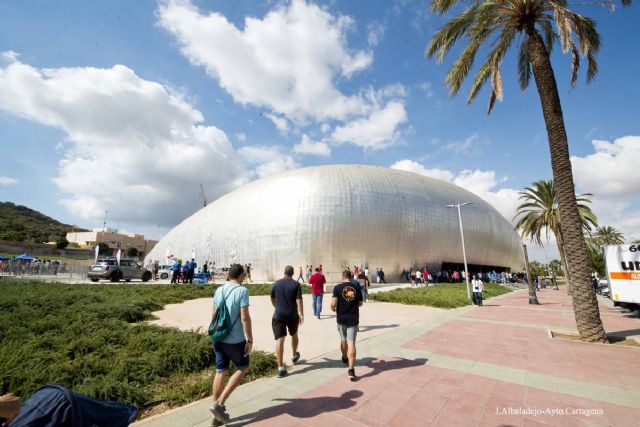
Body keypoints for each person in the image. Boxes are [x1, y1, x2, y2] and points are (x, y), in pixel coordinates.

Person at [210, 264, 253, 425]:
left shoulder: (219, 290)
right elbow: (245, 317)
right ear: (242, 275)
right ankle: (219, 404)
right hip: (235, 339)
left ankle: (216, 414)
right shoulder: (242, 291)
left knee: (220, 371)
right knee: (242, 368)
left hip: (218, 337)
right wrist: (249, 339)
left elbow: (213, 314)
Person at [271, 266, 304, 378]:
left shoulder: (276, 283)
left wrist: (276, 307)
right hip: (292, 315)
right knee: (294, 335)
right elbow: (299, 300)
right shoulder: (296, 284)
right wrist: (301, 314)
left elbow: (272, 298)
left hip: (278, 315)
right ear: (293, 273)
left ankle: (280, 368)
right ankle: (294, 355)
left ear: (284, 272)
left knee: (280, 340)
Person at [331, 270, 363, 381]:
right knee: (351, 343)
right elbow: (360, 303)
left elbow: (333, 304)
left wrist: (332, 308)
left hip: (341, 319)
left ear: (342, 276)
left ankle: (344, 357)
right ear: (350, 277)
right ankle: (351, 370)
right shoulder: (356, 287)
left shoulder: (337, 288)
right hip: (353, 319)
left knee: (343, 341)